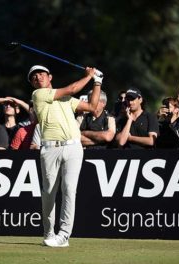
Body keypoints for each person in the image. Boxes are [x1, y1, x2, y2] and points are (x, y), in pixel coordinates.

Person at [30, 64, 102, 247]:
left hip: (73, 147)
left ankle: (64, 235)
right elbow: (72, 88)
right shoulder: (38, 95)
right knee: (49, 193)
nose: (38, 78)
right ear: (32, 83)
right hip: (50, 149)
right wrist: (89, 75)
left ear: (50, 77)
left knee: (69, 189)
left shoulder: (67, 99)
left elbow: (93, 107)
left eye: (41, 74)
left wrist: (97, 82)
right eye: (34, 77)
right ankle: (49, 232)